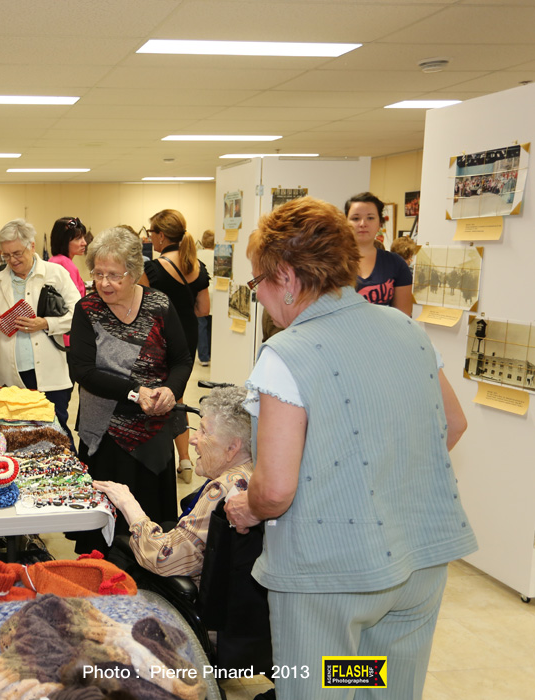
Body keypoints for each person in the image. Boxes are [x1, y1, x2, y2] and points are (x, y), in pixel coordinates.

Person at [225, 197, 475, 700]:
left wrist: (246, 507)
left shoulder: (286, 354)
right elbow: (452, 424)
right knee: (377, 683)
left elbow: (274, 490)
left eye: (259, 283)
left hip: (330, 578)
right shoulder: (407, 329)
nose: (261, 297)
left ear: (287, 278)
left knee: (319, 689)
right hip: (417, 563)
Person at [68, 226, 192, 553]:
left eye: (114, 275)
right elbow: (83, 371)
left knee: (151, 525)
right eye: (98, 274)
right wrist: (137, 392)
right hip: (105, 433)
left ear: (134, 272)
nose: (104, 283)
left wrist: (171, 390)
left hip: (153, 431)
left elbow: (181, 359)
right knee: (105, 534)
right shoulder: (87, 309)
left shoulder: (159, 305)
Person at [94, 385, 252, 582]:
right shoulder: (255, 474)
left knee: (119, 554)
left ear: (232, 447)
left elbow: (163, 559)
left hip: (197, 588)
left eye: (204, 432)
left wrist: (129, 506)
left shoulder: (223, 490)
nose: (193, 439)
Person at [0, 219, 80, 438]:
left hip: (50, 375)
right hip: (10, 377)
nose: (12, 260)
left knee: (56, 434)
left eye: (17, 253)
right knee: (16, 436)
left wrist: (46, 323)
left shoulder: (56, 274)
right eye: (6, 255)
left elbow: (79, 316)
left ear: (32, 246)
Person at [140, 209, 210, 479]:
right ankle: (185, 460)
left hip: (160, 338)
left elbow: (141, 309)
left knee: (157, 396)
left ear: (161, 235)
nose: (150, 238)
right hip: (188, 338)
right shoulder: (197, 266)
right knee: (176, 394)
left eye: (151, 233)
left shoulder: (152, 269)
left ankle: (159, 457)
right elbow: (203, 309)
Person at [346, 192, 413, 316]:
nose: (363, 224)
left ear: (380, 223)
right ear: (345, 223)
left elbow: (403, 318)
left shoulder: (396, 264)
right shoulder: (330, 262)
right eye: (355, 218)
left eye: (370, 218)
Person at [47, 216, 88, 298]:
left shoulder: (54, 260)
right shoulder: (64, 263)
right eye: (78, 238)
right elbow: (74, 298)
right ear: (64, 241)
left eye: (84, 237)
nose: (84, 243)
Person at [195, 230, 215, 366]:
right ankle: (211, 353)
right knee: (212, 325)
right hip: (216, 291)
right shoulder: (218, 254)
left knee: (201, 324)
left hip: (202, 290)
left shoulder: (197, 255)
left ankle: (204, 357)